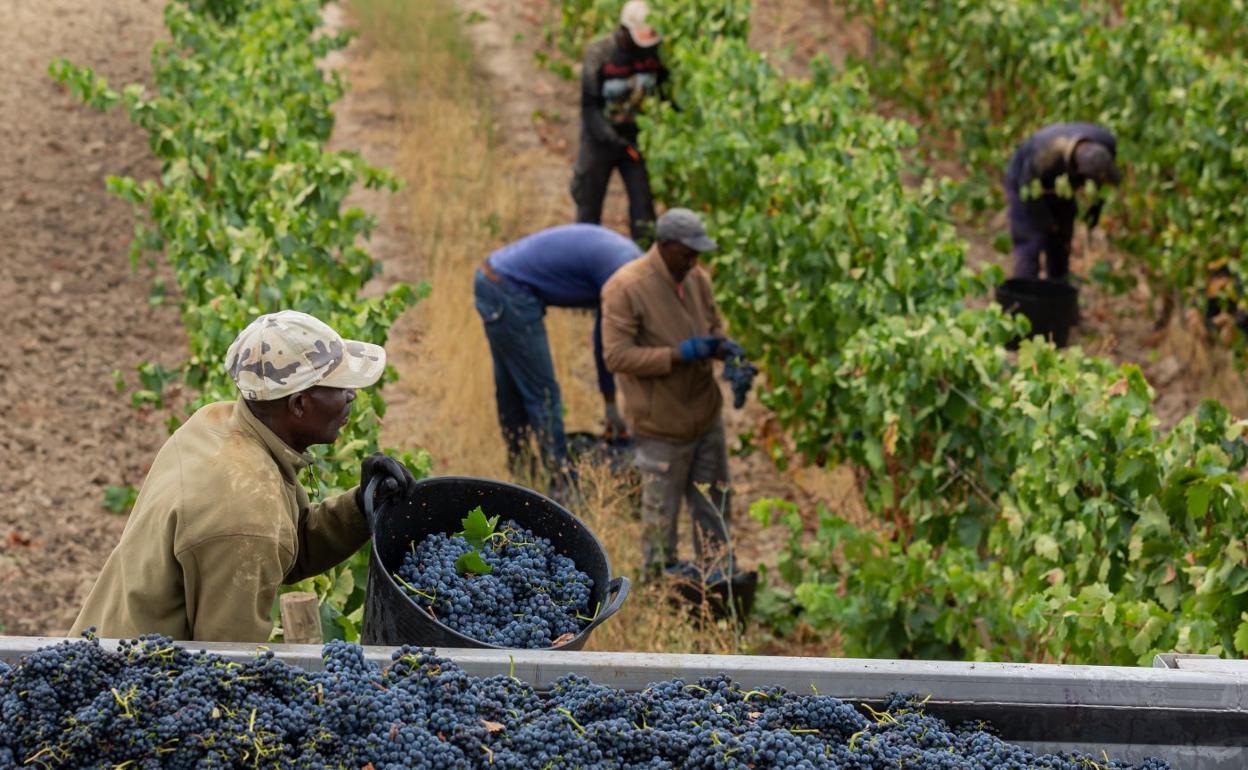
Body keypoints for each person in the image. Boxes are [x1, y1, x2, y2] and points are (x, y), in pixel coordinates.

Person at [71, 311, 417, 642]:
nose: (351, 395)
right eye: (339, 386)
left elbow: (285, 546)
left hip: (110, 643)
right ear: (298, 405)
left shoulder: (218, 425)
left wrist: (359, 505)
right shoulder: (246, 511)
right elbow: (227, 669)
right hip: (132, 684)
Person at [601, 208, 738, 578]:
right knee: (660, 522)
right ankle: (662, 589)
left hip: (705, 417)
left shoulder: (697, 280)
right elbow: (615, 355)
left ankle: (717, 585)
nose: (693, 261)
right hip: (661, 427)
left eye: (697, 254)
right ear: (663, 245)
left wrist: (724, 349)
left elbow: (713, 326)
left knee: (715, 508)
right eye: (686, 253)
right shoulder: (625, 288)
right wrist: (677, 355)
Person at [474, 223, 642, 487]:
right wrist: (610, 403)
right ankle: (560, 483)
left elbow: (603, 333)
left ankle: (522, 475)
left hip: (492, 278)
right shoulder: (624, 278)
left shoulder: (630, 262)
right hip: (509, 291)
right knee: (543, 394)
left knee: (513, 387)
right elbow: (604, 342)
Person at [572, 0, 667, 243]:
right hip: (600, 140)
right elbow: (589, 108)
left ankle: (644, 269)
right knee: (588, 210)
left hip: (636, 141)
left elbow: (666, 96)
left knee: (643, 212)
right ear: (624, 31)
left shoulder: (655, 55)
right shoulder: (600, 54)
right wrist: (614, 140)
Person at [1005, 123, 1122, 281]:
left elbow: (1105, 180)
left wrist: (1096, 205)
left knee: (1061, 241)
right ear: (1079, 170)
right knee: (1031, 241)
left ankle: (1057, 291)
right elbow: (1029, 194)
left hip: (1060, 184)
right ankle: (1025, 295)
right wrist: (1050, 224)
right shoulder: (1046, 155)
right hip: (1024, 182)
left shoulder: (1106, 141)